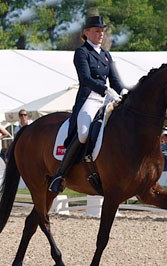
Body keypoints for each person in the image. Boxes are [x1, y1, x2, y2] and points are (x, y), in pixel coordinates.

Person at [49, 15, 128, 193]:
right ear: (86, 33)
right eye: (96, 31)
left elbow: (115, 81)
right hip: (90, 98)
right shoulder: (82, 52)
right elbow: (85, 78)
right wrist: (104, 89)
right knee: (84, 133)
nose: (100, 34)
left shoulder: (106, 55)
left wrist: (124, 92)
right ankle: (61, 174)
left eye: (102, 31)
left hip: (107, 97)